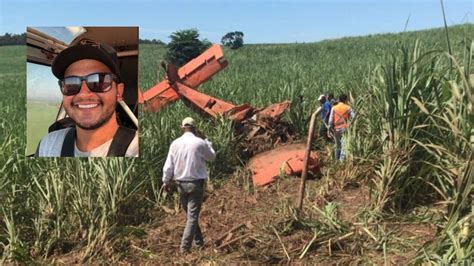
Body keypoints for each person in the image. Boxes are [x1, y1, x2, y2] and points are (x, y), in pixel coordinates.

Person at [35, 40, 138, 157]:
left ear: (119, 91)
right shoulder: (47, 144)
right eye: (71, 84)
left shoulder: (135, 149)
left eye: (99, 81)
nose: (83, 94)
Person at [162, 117, 216, 254]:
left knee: (191, 216)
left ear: (182, 128)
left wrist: (165, 181)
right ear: (195, 128)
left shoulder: (175, 144)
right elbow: (212, 157)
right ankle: (184, 248)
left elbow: (169, 166)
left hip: (180, 185)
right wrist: (207, 141)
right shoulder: (200, 143)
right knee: (192, 217)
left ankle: (199, 243)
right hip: (195, 184)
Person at [327, 94, 355, 161]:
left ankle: (337, 159)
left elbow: (330, 120)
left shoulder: (334, 107)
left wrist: (329, 130)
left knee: (337, 144)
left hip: (336, 128)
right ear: (345, 100)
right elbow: (354, 117)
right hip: (345, 128)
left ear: (339, 100)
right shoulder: (348, 107)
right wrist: (350, 124)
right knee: (344, 144)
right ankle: (341, 161)